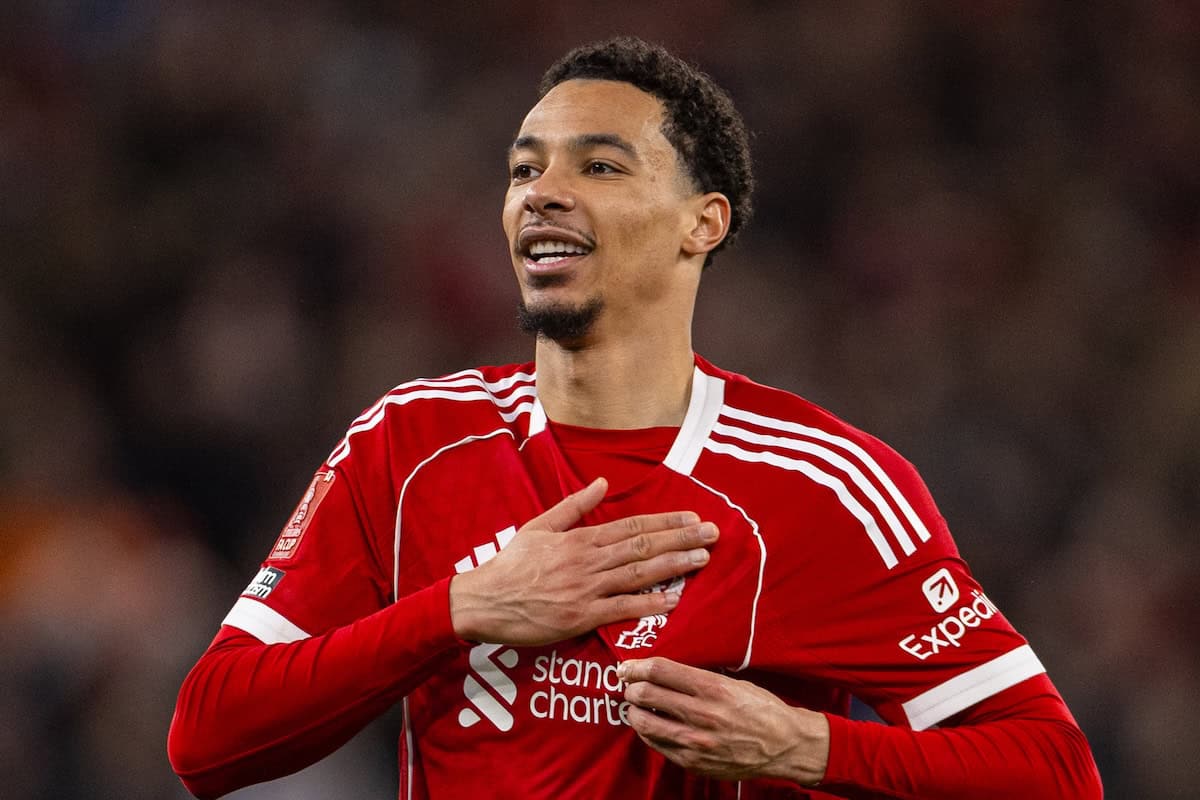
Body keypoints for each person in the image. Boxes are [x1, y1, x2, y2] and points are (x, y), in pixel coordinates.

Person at [168, 37, 1103, 799]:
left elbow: (1055, 773)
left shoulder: (823, 486)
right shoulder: (410, 442)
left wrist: (810, 748)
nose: (542, 190)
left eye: (601, 164)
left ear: (703, 222)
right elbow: (207, 740)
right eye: (524, 168)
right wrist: (458, 612)